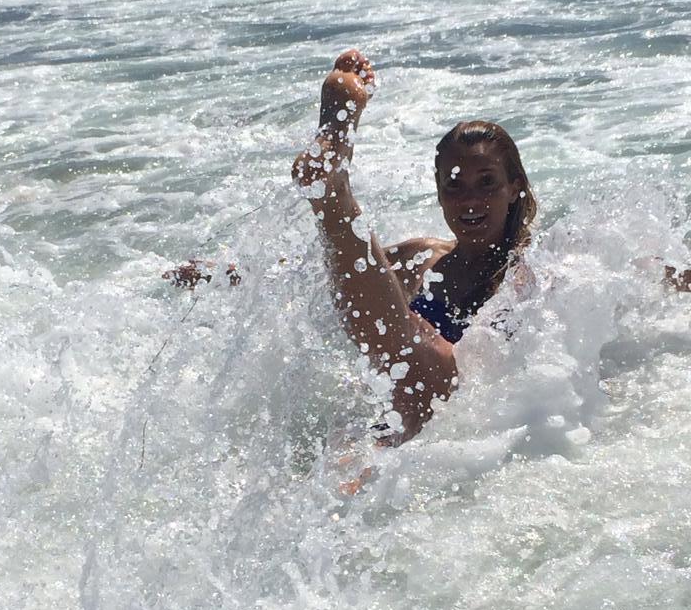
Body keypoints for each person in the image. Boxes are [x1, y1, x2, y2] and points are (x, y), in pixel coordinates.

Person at [292, 50, 689, 445]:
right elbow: (337, 287)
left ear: (514, 188)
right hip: (404, 413)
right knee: (378, 395)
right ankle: (331, 189)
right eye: (454, 185)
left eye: (486, 183)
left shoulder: (541, 265)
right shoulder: (420, 258)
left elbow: (628, 263)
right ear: (439, 193)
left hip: (472, 413)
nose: (470, 201)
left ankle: (333, 194)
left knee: (413, 347)